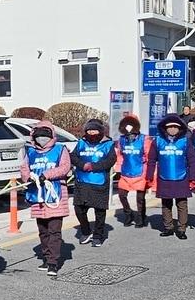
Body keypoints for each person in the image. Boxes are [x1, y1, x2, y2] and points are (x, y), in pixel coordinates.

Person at [19, 123, 71, 277]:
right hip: (37, 196)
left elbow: (65, 167)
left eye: (45, 136)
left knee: (54, 230)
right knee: (43, 230)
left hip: (55, 195)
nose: (42, 139)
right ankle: (46, 257)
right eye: (38, 136)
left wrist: (47, 175)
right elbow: (24, 168)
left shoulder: (60, 149)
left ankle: (53, 262)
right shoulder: (30, 152)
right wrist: (29, 177)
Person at [147, 114, 195, 240]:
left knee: (182, 204)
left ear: (180, 128)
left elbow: (193, 160)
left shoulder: (185, 141)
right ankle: (168, 227)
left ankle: (182, 229)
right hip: (164, 177)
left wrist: (194, 177)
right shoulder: (158, 141)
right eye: (169, 127)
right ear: (165, 128)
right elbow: (151, 160)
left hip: (181, 177)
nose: (172, 129)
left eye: (175, 127)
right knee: (166, 204)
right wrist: (149, 176)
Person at [71, 119, 117, 247]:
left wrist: (93, 166)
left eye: (94, 130)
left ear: (100, 131)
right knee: (79, 209)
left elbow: (111, 160)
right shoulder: (81, 143)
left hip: (99, 182)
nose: (91, 133)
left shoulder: (108, 144)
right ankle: (86, 232)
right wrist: (82, 165)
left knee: (100, 212)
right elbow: (73, 157)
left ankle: (98, 236)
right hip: (82, 182)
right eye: (89, 130)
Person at [114, 113, 154, 228]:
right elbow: (120, 155)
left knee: (140, 198)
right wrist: (118, 168)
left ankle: (141, 217)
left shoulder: (144, 139)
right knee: (122, 195)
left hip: (140, 171)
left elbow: (148, 155)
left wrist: (148, 171)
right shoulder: (122, 140)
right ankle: (128, 213)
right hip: (126, 172)